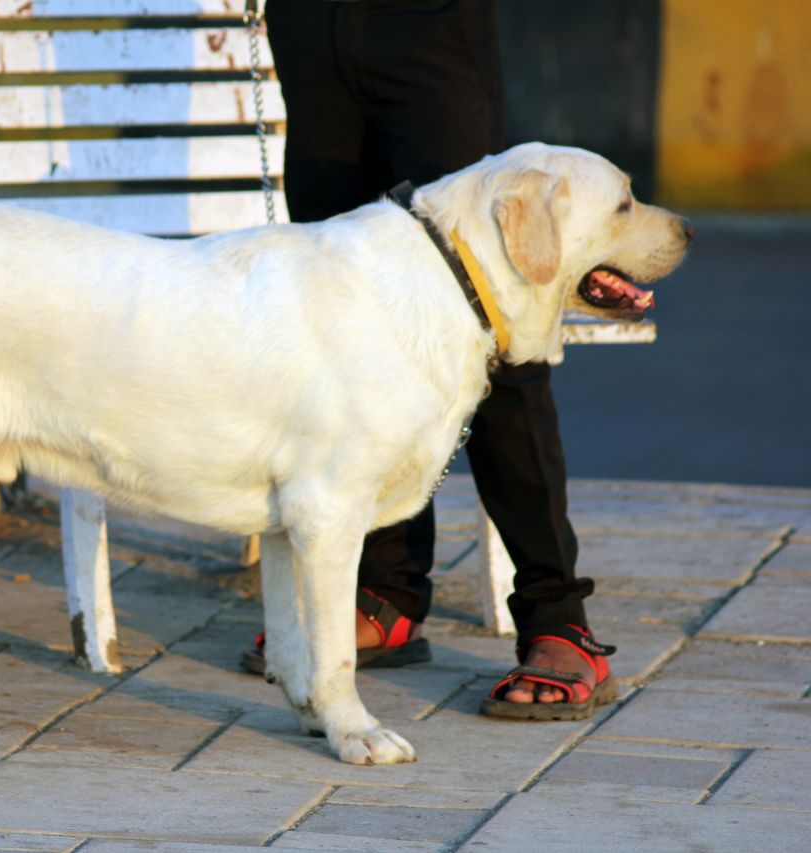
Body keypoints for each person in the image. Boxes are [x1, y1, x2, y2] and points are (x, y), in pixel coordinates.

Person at [242, 0, 616, 719]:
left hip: (427, 21)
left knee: (495, 298)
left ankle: (558, 617)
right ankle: (386, 590)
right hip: (310, 27)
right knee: (340, 314)